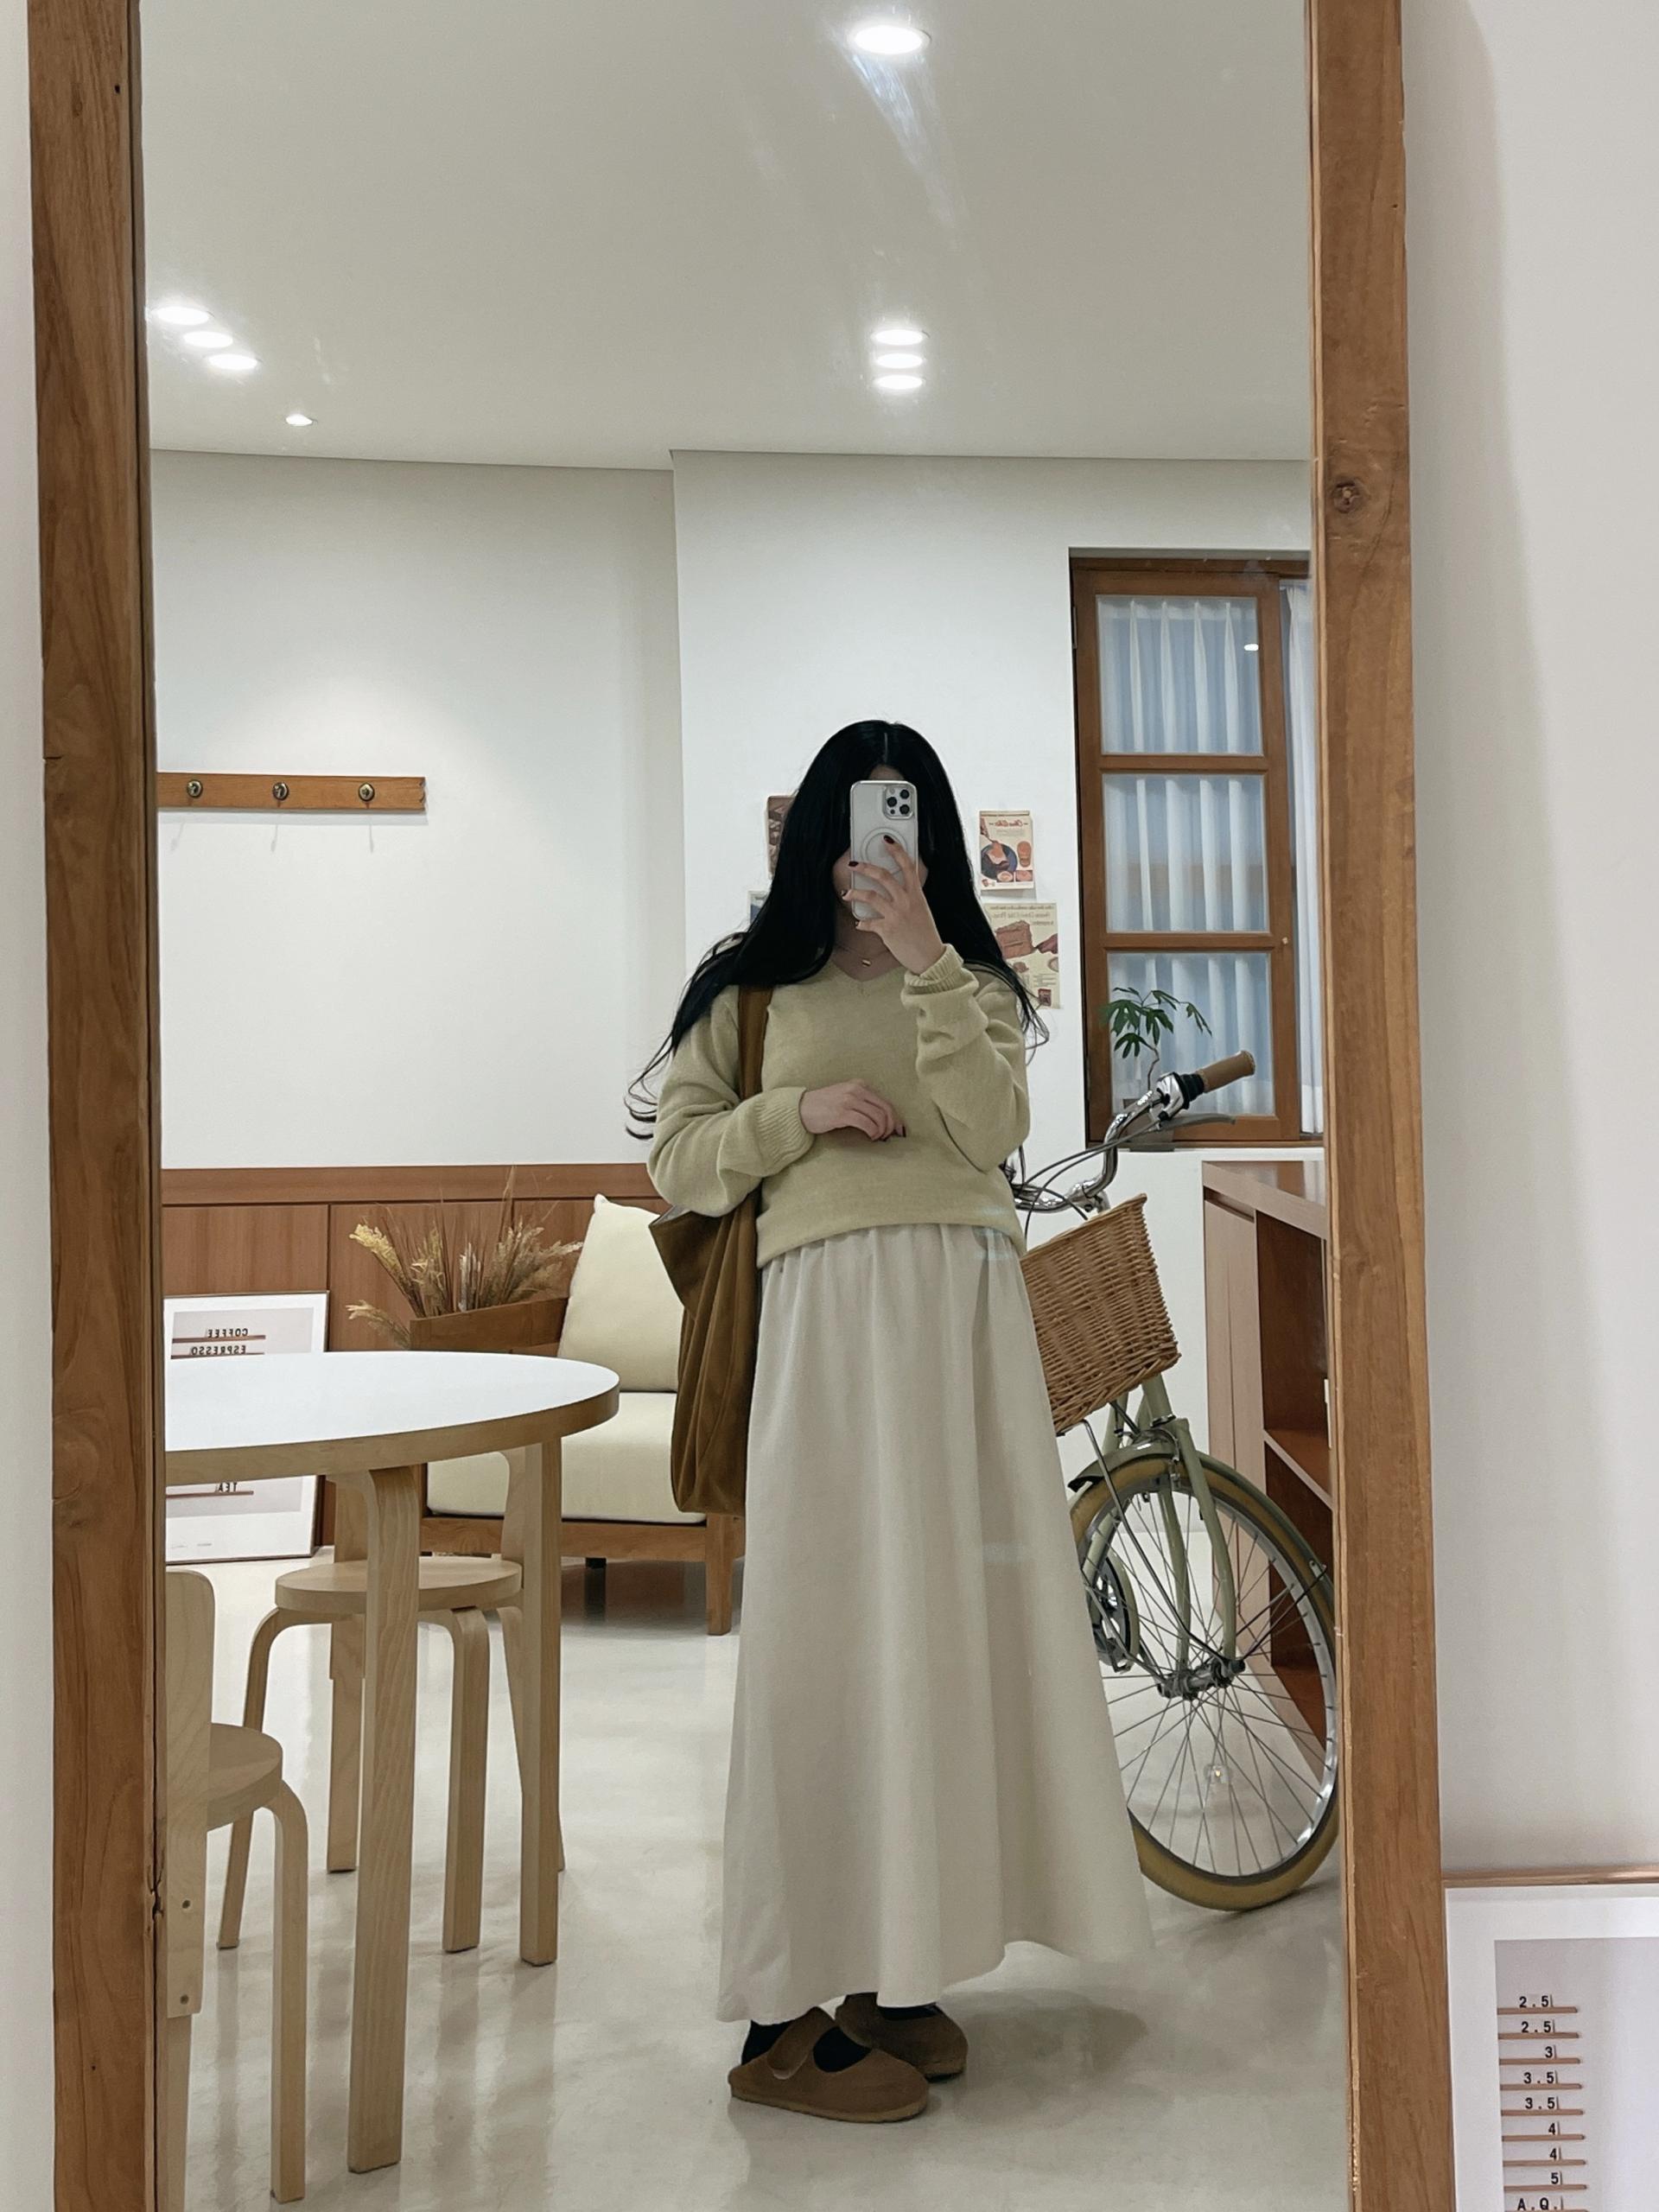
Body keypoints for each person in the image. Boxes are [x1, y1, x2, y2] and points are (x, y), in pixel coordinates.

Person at [641, 721, 1149, 2125]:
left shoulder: (971, 980)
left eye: (909, 808)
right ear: (824, 827)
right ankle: (777, 2021)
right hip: (825, 1330)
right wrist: (795, 1112)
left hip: (967, 1331)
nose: (885, 833)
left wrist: (930, 962)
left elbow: (990, 1134)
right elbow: (679, 1159)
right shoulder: (753, 989)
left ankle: (896, 1968)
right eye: (869, 808)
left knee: (947, 1640)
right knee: (820, 1644)